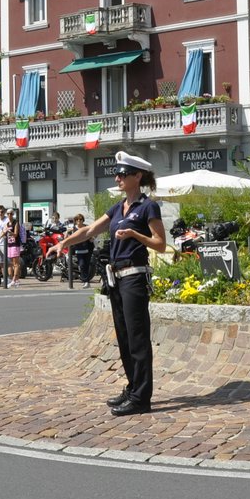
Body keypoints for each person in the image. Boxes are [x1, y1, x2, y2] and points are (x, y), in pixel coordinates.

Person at [51, 151, 165, 415]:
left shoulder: (148, 207)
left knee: (138, 339)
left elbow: (160, 244)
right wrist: (63, 243)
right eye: (117, 173)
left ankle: (141, 398)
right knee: (124, 338)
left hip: (135, 276)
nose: (118, 177)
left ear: (137, 176)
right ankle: (133, 386)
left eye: (123, 174)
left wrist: (136, 234)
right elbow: (90, 230)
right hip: (115, 279)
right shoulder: (118, 207)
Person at [5, 207, 24, 287]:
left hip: (15, 244)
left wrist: (9, 232)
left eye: (11, 213)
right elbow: (4, 232)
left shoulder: (15, 223)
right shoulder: (7, 224)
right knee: (12, 263)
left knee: (16, 263)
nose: (9, 215)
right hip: (9, 244)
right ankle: (16, 280)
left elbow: (16, 234)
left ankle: (14, 279)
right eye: (8, 214)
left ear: (13, 214)